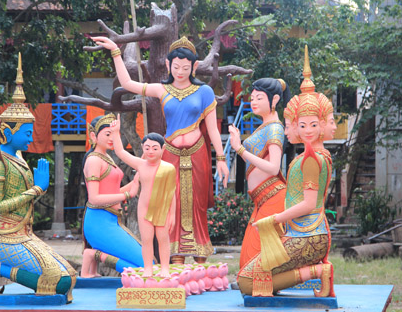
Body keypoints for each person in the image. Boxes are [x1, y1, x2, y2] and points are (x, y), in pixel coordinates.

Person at [90, 36, 229, 263]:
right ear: (168, 65)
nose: (181, 71)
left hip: (198, 153)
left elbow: (212, 129)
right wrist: (116, 51)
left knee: (197, 203)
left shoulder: (204, 92)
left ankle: (200, 257)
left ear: (194, 66)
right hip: (169, 154)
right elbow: (128, 85)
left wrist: (221, 157)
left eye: (186, 67)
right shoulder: (162, 89)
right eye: (176, 67)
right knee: (169, 202)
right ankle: (173, 258)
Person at [0, 54, 76, 302]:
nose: (32, 137)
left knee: (71, 276)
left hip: (24, 234)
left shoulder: (19, 157)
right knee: (56, 282)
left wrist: (37, 187)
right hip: (2, 238)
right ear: (8, 132)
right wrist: (36, 190)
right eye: (28, 132)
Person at [237, 50, 335, 298]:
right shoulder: (311, 157)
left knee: (248, 282)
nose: (307, 130)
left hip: (307, 236)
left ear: (324, 124)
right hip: (303, 232)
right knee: (252, 276)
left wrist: (276, 219)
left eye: (313, 125)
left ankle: (317, 272)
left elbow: (309, 203)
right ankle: (312, 272)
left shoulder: (311, 159)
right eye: (301, 125)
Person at [228, 78, 291, 268]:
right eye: (252, 98)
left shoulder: (274, 129)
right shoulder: (265, 127)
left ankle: (270, 281)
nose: (253, 102)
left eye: (259, 98)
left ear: (274, 100)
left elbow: (273, 167)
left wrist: (240, 149)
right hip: (262, 199)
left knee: (256, 257)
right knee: (249, 258)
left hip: (272, 196)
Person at [110, 114, 176, 277]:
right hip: (144, 208)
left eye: (155, 148)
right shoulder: (141, 164)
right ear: (143, 148)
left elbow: (171, 193)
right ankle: (148, 268)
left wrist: (172, 214)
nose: (151, 151)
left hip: (162, 208)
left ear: (163, 149)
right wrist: (116, 132)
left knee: (163, 239)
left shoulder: (168, 169)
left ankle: (165, 268)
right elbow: (120, 152)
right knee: (146, 239)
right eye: (147, 148)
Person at [81, 113, 143, 277]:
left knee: (149, 263)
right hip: (99, 223)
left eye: (114, 134)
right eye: (107, 134)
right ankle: (94, 254)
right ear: (93, 136)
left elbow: (112, 192)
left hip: (112, 220)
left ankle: (94, 255)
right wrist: (127, 195)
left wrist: (136, 181)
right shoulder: (94, 160)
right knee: (146, 267)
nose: (111, 138)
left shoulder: (106, 156)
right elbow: (94, 199)